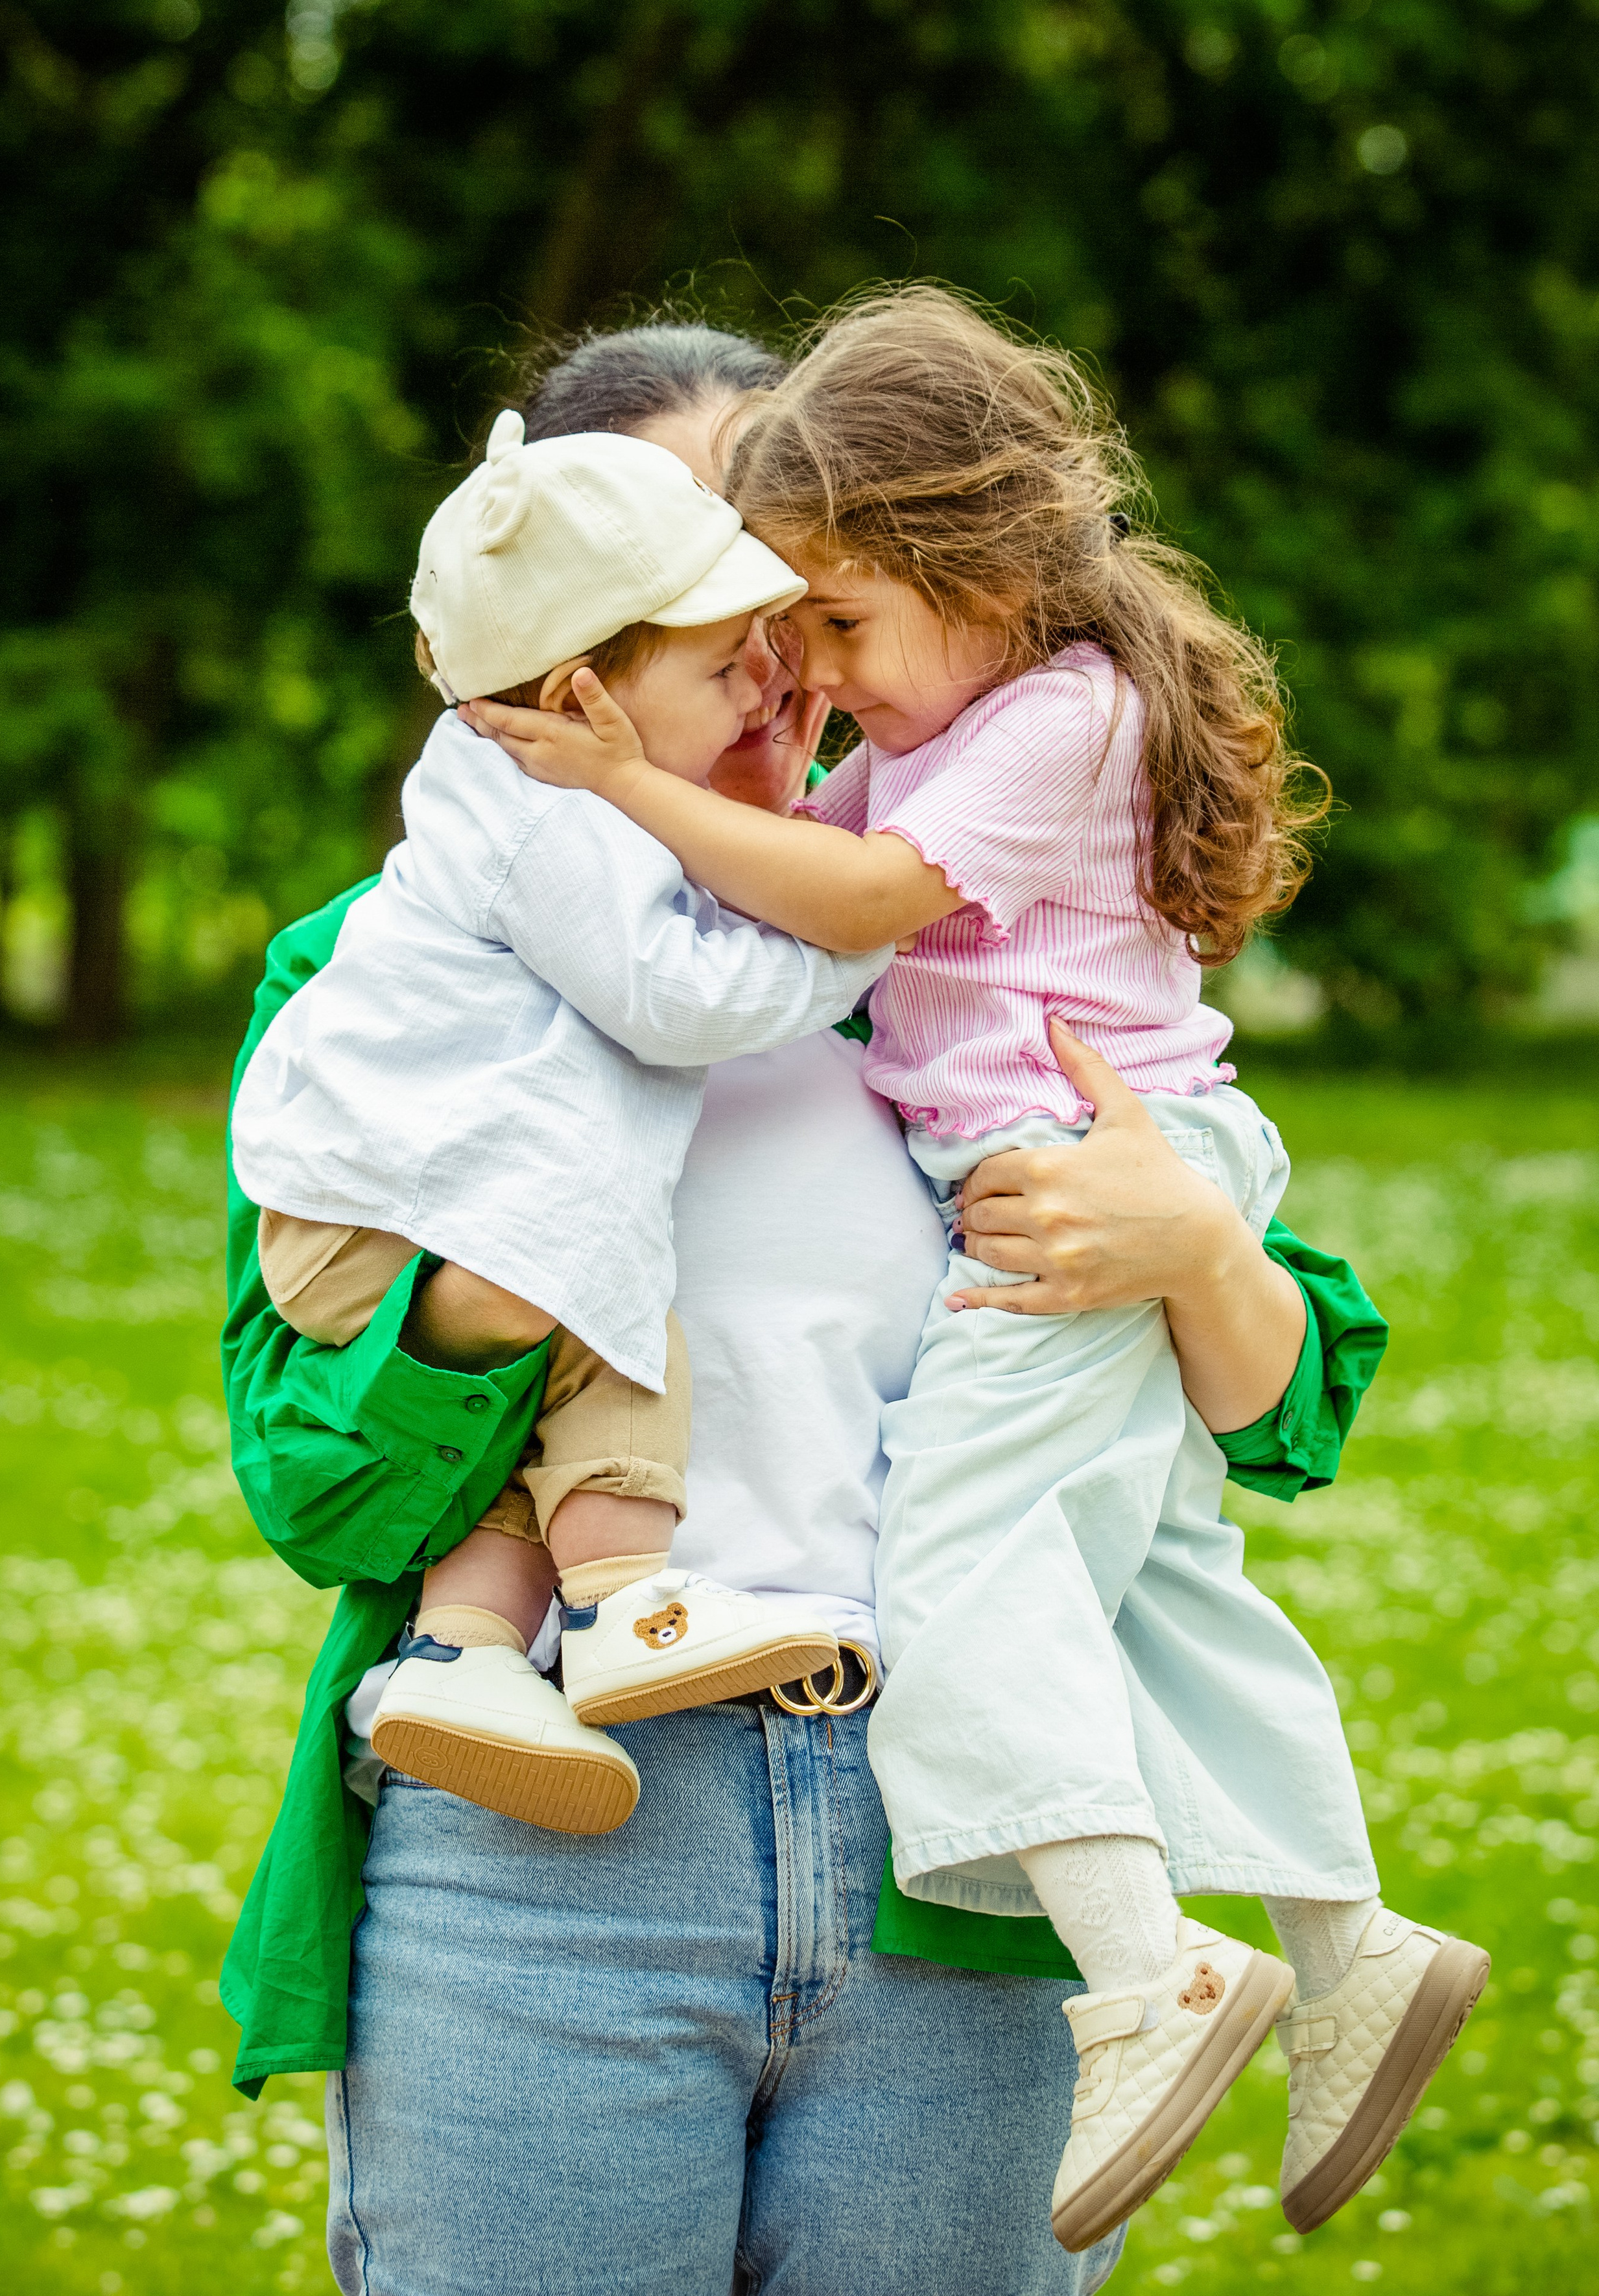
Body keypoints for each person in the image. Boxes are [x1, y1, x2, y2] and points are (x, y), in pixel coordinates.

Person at [218, 317, 1390, 2296]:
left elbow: (1286, 1421)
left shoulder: (973, 941)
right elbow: (314, 1493)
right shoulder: (390, 987)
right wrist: (483, 1318)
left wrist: (1196, 1247)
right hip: (555, 1851)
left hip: (968, 1853)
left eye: (799, 588)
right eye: (702, 593)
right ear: (563, 664)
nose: (775, 652)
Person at [231, 415, 883, 1830]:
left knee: (597, 1299)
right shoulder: (554, 819)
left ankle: (464, 1655)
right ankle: (622, 1606)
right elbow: (672, 997)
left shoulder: (554, 810)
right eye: (729, 660)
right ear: (585, 696)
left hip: (882, 1784)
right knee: (611, 1275)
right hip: (392, 1226)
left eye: (807, 628)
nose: (776, 680)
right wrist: (850, 928)